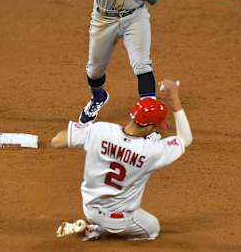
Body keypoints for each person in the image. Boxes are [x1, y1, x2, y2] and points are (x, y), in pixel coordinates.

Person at [52, 79, 193, 241]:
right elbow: (185, 139)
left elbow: (57, 141)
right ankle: (96, 230)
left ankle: (95, 225)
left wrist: (91, 141)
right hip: (119, 219)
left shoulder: (100, 130)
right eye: (155, 126)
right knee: (153, 229)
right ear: (148, 127)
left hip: (89, 208)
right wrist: (175, 100)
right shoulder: (151, 151)